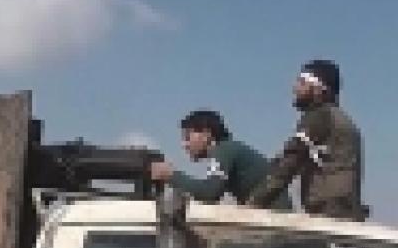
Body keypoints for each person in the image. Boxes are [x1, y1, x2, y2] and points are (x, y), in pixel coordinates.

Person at [247, 60, 368, 220]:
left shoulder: (320, 115)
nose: (295, 88)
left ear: (319, 89)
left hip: (329, 213)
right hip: (342, 211)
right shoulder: (340, 119)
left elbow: (288, 164)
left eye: (302, 82)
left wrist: (252, 205)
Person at [149, 109, 291, 209]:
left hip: (278, 223)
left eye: (187, 137)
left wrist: (171, 175)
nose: (184, 145)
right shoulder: (226, 149)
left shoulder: (224, 150)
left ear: (206, 134)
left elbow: (209, 193)